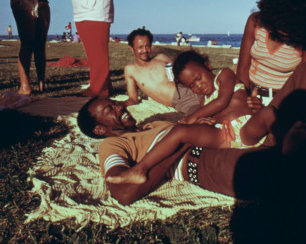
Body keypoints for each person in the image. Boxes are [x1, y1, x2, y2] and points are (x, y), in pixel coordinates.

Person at [77, 61, 306, 204]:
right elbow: (122, 191)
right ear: (101, 129)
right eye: (110, 110)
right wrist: (184, 139)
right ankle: (291, 158)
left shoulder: (153, 122)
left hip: (235, 136)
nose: (120, 107)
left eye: (115, 103)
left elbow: (216, 113)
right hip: (201, 158)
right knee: (263, 171)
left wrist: (247, 107)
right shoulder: (112, 146)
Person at [108, 50, 266, 185]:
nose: (199, 86)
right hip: (224, 137)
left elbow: (222, 102)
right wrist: (202, 121)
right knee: (180, 131)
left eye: (198, 78)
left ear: (207, 66)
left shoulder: (224, 75)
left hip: (247, 129)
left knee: (269, 114)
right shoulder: (204, 101)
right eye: (192, 86)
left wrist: (193, 116)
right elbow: (212, 116)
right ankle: (139, 169)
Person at [124, 28, 202, 114]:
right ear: (131, 48)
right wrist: (120, 104)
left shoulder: (161, 58)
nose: (145, 50)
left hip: (193, 88)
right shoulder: (131, 69)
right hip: (180, 100)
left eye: (147, 46)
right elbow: (133, 99)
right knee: (203, 114)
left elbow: (180, 73)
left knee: (215, 100)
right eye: (140, 47)